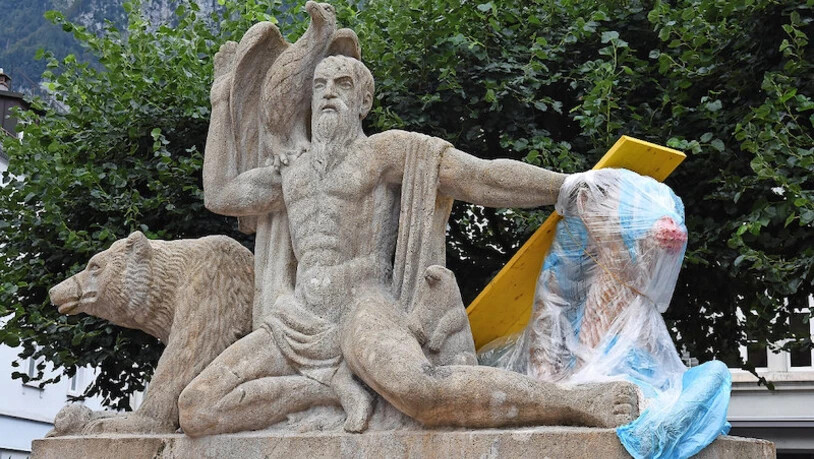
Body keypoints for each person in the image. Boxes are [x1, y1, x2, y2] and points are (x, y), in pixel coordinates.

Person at [178, 54, 638, 436]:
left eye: (342, 83)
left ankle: (577, 402)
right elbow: (219, 194)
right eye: (319, 85)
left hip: (363, 306)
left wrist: (564, 187)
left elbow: (479, 176)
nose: (328, 93)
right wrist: (222, 100)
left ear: (364, 100)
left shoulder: (384, 154)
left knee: (420, 392)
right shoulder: (289, 172)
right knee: (197, 408)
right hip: (296, 319)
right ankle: (330, 389)